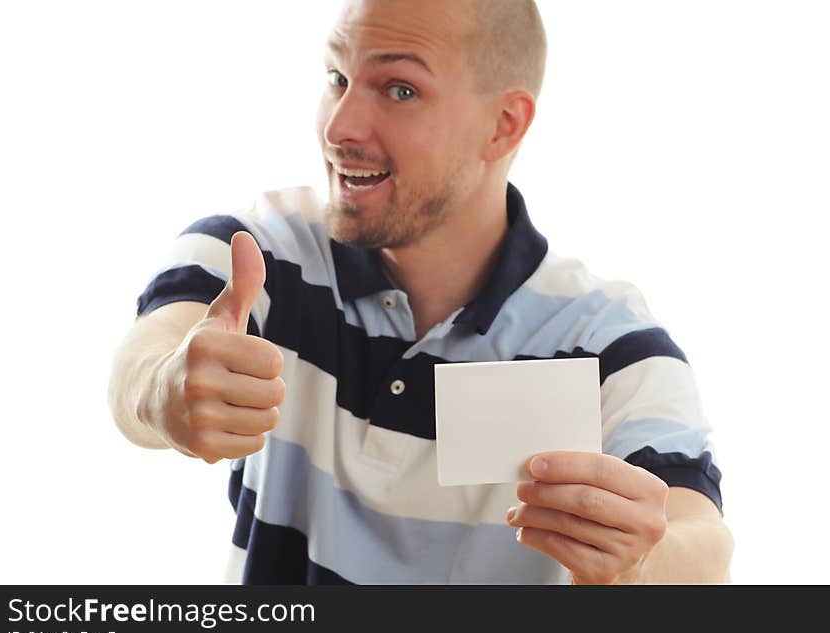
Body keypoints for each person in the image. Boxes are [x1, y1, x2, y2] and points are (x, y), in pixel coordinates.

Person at [108, 0, 733, 584]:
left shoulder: (609, 343)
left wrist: (644, 562)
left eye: (400, 89)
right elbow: (150, 354)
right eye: (336, 77)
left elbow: (700, 540)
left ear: (503, 126)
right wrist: (163, 391)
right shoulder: (259, 257)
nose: (341, 126)